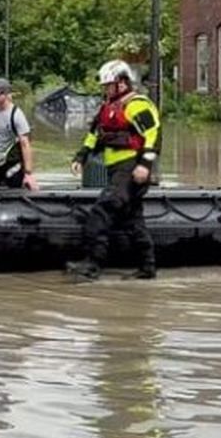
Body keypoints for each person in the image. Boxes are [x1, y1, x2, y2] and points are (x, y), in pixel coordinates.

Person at [65, 60, 160, 282]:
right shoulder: (107, 106)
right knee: (133, 218)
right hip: (116, 169)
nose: (106, 89)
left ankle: (92, 265)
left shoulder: (137, 104)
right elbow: (95, 134)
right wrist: (82, 156)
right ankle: (147, 268)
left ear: (122, 83)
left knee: (102, 210)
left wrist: (145, 165)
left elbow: (153, 134)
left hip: (131, 168)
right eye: (105, 85)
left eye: (109, 84)